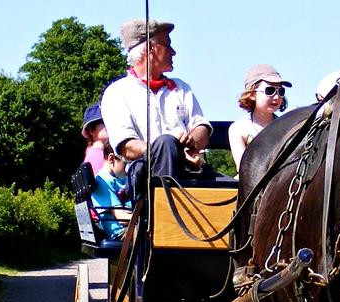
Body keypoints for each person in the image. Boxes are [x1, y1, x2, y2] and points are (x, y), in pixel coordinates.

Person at [99, 19, 212, 194]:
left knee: (240, 191)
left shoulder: (181, 88)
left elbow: (201, 127)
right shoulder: (117, 93)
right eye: (168, 45)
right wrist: (170, 149)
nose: (173, 51)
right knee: (166, 142)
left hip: (191, 171)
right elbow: (126, 147)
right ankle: (167, 216)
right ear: (150, 49)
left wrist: (191, 141)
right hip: (144, 179)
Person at [228, 64, 291, 170]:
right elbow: (243, 169)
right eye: (270, 91)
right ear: (252, 94)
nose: (276, 97)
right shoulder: (238, 129)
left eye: (281, 91)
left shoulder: (287, 127)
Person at [89, 146, 132, 240]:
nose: (129, 169)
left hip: (130, 226)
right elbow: (121, 218)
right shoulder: (102, 181)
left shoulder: (121, 178)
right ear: (111, 158)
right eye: (126, 164)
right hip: (121, 232)